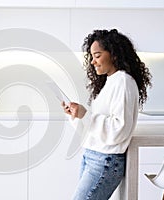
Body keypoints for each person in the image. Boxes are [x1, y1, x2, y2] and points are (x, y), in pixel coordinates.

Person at [62, 29, 152, 200]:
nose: (93, 62)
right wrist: (75, 115)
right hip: (92, 156)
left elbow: (119, 129)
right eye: (92, 57)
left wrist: (85, 115)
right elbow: (92, 130)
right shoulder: (110, 82)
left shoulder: (123, 82)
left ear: (114, 54)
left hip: (105, 161)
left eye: (97, 55)